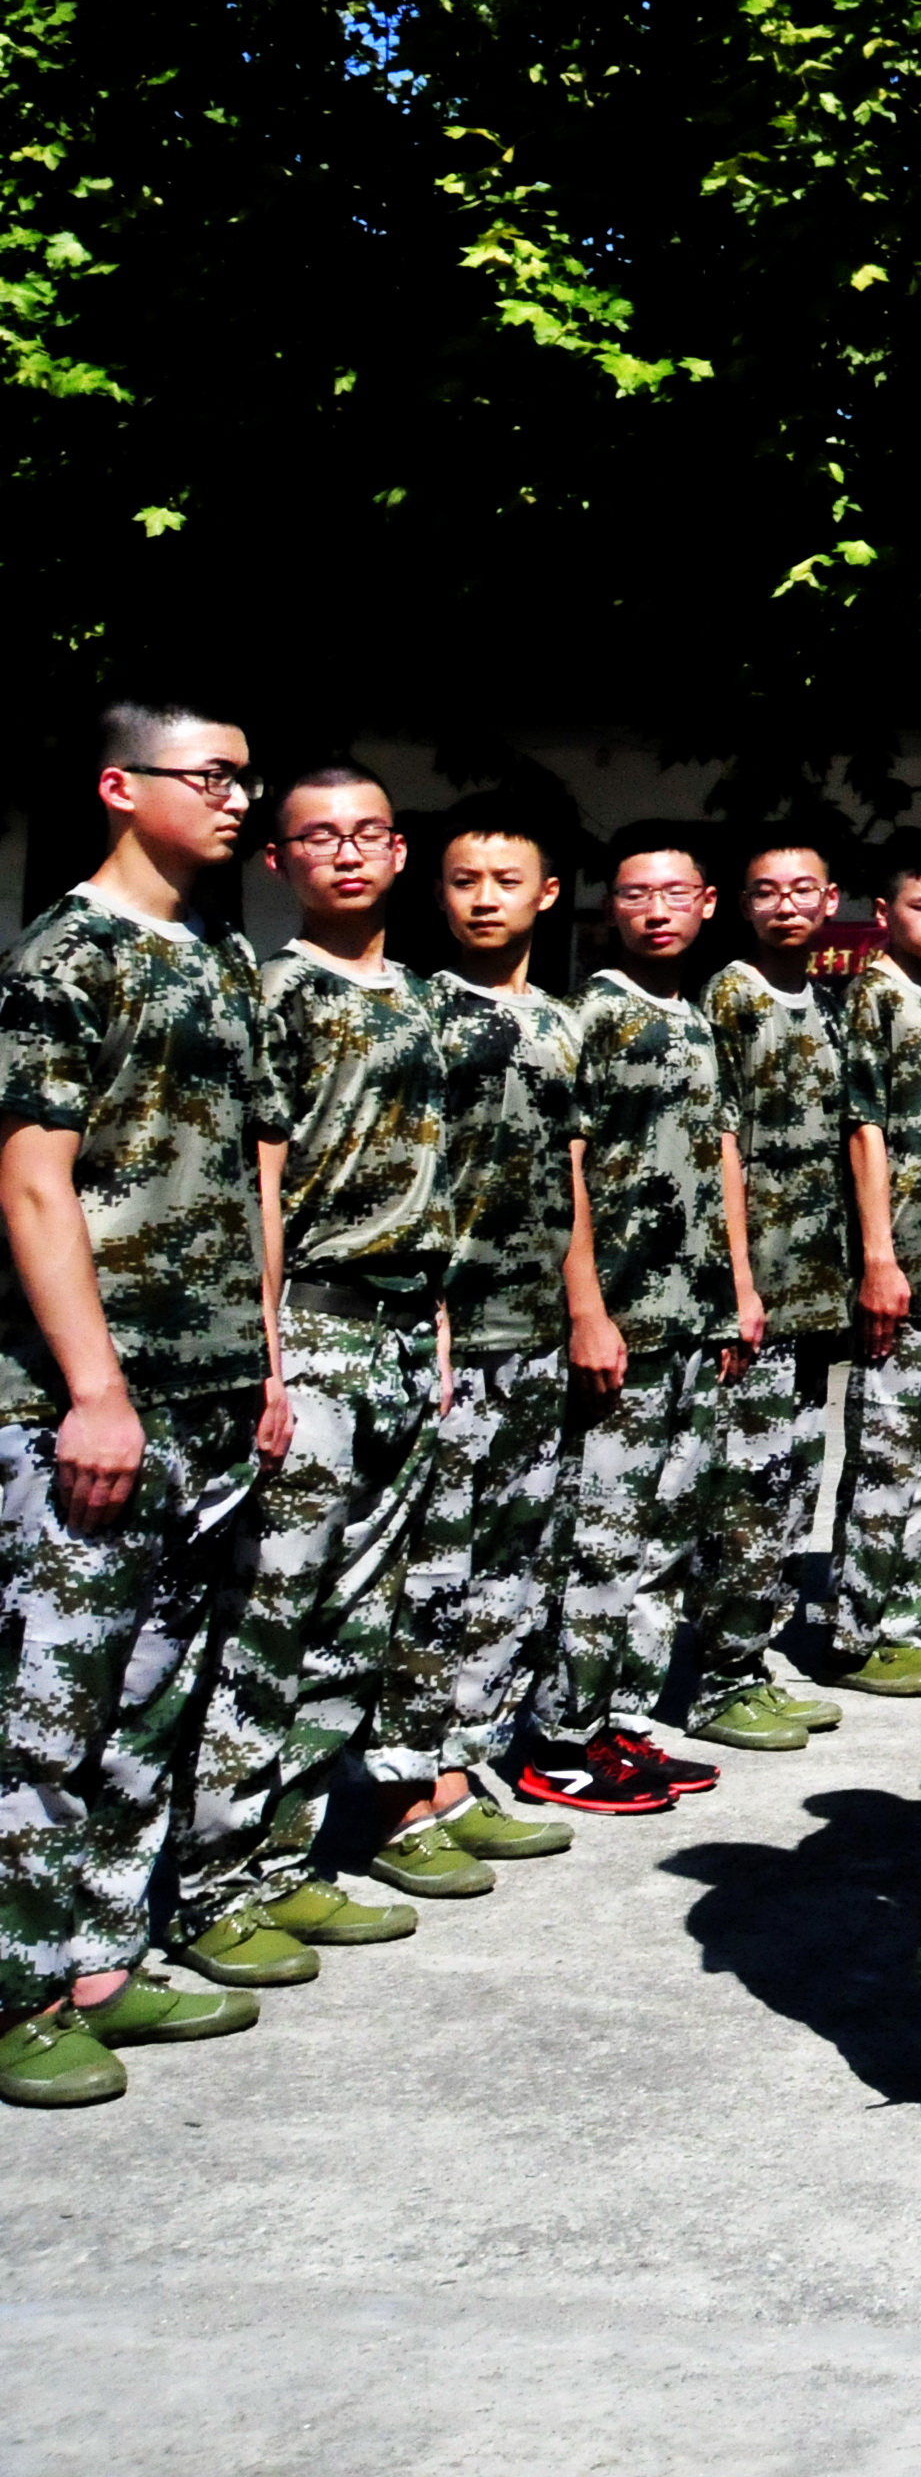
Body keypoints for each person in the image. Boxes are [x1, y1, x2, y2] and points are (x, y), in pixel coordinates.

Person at [0, 700, 288, 2110]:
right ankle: (14, 1990)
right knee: (45, 1709)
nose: (240, 799)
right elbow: (32, 1181)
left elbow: (251, 1180)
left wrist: (270, 1370)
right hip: (99, 1401)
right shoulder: (68, 956)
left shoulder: (224, 957)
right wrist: (93, 1389)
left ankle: (103, 1953)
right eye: (212, 776)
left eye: (248, 776)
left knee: (152, 1692)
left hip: (213, 1394)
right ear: (122, 785)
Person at [190, 761, 445, 1953]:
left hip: (404, 1329)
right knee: (269, 1613)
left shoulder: (422, 998)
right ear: (277, 864)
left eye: (369, 835)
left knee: (354, 1614)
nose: (347, 854)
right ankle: (210, 1878)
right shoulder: (276, 993)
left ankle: (287, 1854)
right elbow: (262, 1187)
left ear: (400, 853)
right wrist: (272, 1357)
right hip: (317, 1321)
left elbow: (435, 1185)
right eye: (318, 838)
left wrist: (437, 1338)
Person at [514, 825, 744, 1817]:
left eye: (675, 893)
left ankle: (624, 1722)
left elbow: (722, 1158)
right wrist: (587, 1308)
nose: (657, 909)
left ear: (705, 905)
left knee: (661, 1537)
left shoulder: (694, 1021)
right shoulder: (590, 1018)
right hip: (626, 1320)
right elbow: (561, 1168)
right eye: (637, 894)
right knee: (603, 1535)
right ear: (610, 909)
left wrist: (739, 1290)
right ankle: (561, 1737)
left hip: (693, 1315)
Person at [380, 802, 587, 1883]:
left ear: (546, 894)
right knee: (437, 1567)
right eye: (464, 880)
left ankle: (465, 1770)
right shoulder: (421, 1014)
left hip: (540, 1330)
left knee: (514, 1560)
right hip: (454, 1329)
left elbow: (571, 1176)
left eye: (507, 879)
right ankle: (406, 1796)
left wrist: (587, 1306)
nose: (485, 897)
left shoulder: (562, 1022)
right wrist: (438, 1319)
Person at [692, 837, 852, 1752]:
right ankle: (722, 1676)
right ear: (742, 905)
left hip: (814, 1286)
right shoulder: (734, 997)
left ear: (830, 899)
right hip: (758, 1286)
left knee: (793, 1479)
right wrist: (738, 1279)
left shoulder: (826, 1005)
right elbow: (720, 1145)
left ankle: (750, 1659)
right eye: (767, 892)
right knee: (747, 1487)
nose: (787, 904)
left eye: (803, 889)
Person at [831, 839, 921, 1696]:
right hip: (903, 1256)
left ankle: (908, 1610)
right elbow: (864, 1130)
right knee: (885, 1448)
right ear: (885, 917)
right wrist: (878, 1255)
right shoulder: (875, 997)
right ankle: (856, 1629)